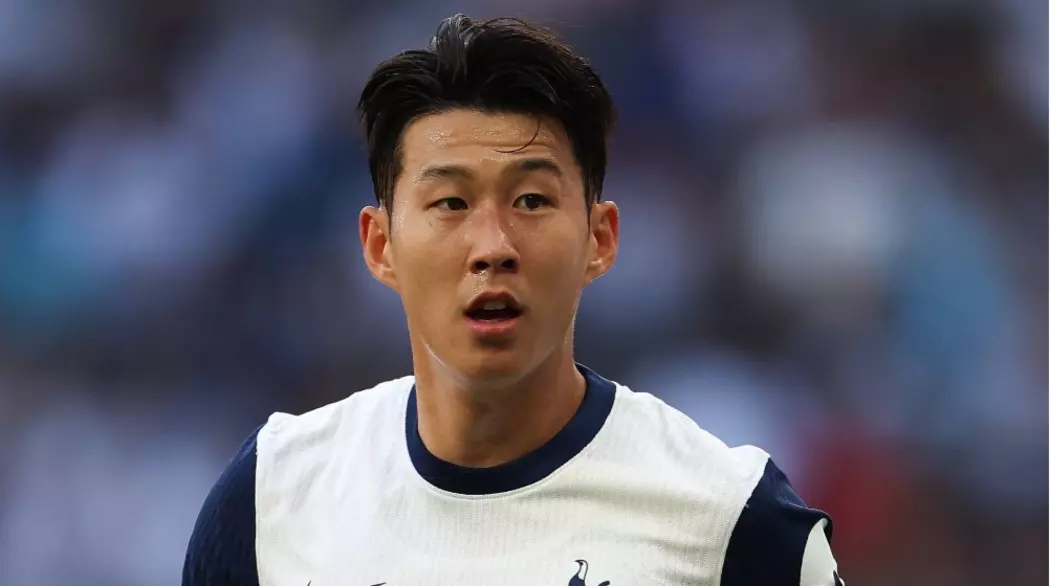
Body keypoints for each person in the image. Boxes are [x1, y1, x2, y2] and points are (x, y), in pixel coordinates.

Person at [183, 14, 844, 586]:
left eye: (531, 200)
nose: (492, 246)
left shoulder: (732, 520)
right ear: (381, 245)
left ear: (600, 239)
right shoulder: (272, 497)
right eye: (450, 203)